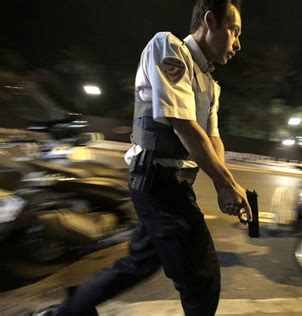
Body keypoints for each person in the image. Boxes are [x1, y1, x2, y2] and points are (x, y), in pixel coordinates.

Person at [29, 0, 250, 315]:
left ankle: (64, 312)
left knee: (137, 265)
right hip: (157, 183)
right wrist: (225, 182)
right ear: (210, 21)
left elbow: (212, 138)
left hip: (174, 187)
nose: (238, 43)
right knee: (202, 280)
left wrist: (224, 184)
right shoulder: (168, 47)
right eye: (234, 31)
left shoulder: (211, 86)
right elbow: (183, 125)